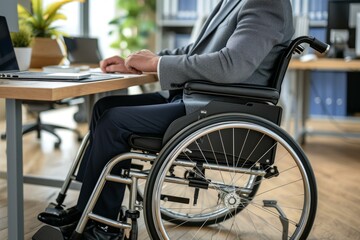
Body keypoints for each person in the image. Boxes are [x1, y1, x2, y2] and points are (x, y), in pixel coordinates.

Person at [38, 0, 295, 239]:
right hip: (202, 100)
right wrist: (140, 63)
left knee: (114, 121)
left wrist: (158, 63)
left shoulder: (266, 3)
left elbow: (231, 65)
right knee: (104, 107)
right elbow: (197, 51)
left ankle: (103, 226)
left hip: (218, 108)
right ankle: (89, 206)